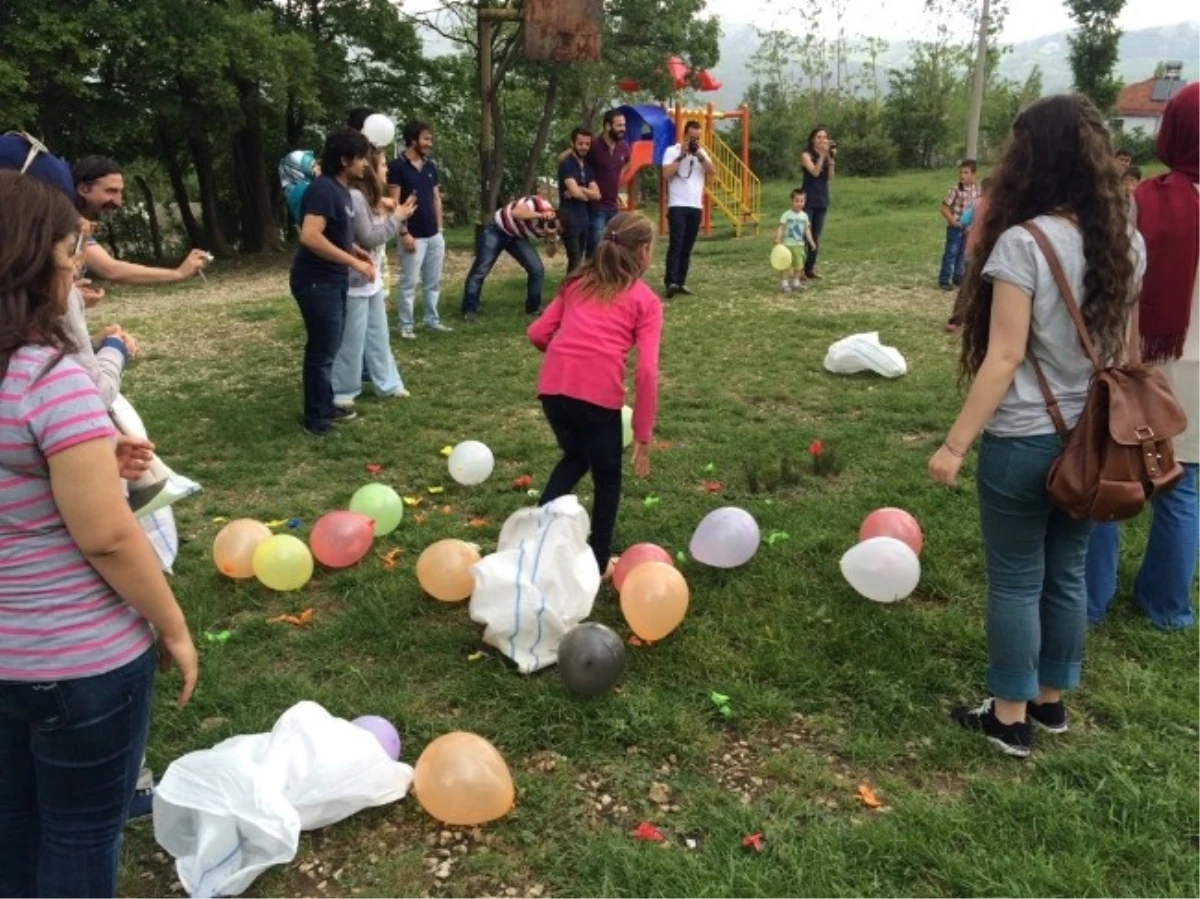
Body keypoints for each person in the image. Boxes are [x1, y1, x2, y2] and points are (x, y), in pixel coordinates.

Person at [0, 170, 197, 897]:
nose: (74, 270)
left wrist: (85, 457)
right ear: (37, 261)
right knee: (82, 829)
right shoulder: (47, 377)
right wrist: (170, 623)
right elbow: (108, 536)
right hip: (77, 661)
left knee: (13, 819)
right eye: (69, 256)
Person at [928, 94, 1144, 757]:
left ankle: (1009, 715)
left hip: (1023, 439)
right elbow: (1127, 352)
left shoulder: (1024, 242)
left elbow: (1005, 356)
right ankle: (1051, 701)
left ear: (1032, 159)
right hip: (1095, 440)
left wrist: (954, 443)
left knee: (1017, 577)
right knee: (1067, 571)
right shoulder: (1127, 242)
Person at [1086, 82, 1200, 631]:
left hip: (1145, 361)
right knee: (1184, 486)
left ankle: (1090, 599)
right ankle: (1168, 608)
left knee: (1114, 471)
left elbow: (1114, 281)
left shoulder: (1146, 203)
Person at [527, 212, 663, 576]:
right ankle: (598, 561)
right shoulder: (645, 300)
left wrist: (564, 357)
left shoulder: (576, 283)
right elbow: (647, 372)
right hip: (598, 397)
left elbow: (538, 332)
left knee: (575, 456)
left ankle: (536, 536)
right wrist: (643, 435)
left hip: (553, 389)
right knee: (607, 477)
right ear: (645, 251)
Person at [291, 127, 375, 437]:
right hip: (316, 282)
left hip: (332, 280)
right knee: (322, 351)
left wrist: (354, 249)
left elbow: (331, 233)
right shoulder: (323, 189)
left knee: (329, 346)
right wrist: (354, 262)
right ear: (344, 160)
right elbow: (310, 235)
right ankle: (316, 420)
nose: (365, 164)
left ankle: (324, 405)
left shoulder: (340, 191)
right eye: (361, 158)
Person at [332, 148, 415, 411]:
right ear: (370, 170)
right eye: (382, 166)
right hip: (354, 279)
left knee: (379, 335)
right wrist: (397, 218)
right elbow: (370, 237)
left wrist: (397, 215)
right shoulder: (355, 197)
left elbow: (386, 220)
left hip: (372, 278)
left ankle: (388, 384)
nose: (387, 170)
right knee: (352, 338)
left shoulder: (371, 198)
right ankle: (343, 390)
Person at [73, 156, 210, 286]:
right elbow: (111, 269)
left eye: (120, 192)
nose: (118, 202)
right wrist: (177, 273)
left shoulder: (77, 224)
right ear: (83, 189)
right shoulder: (65, 223)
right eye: (111, 191)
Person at [387, 121, 449, 338]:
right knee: (409, 283)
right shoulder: (396, 167)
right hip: (412, 234)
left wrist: (439, 229)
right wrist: (403, 233)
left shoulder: (431, 166)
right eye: (425, 139)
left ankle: (432, 321)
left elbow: (435, 198)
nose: (429, 143)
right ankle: (406, 326)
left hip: (433, 235)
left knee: (433, 282)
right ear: (413, 140)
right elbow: (394, 203)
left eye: (429, 139)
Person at [461, 194, 559, 322]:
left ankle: (533, 309)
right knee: (480, 270)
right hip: (496, 230)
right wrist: (540, 215)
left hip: (516, 237)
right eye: (554, 222)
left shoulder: (554, 229)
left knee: (537, 269)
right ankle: (469, 311)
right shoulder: (539, 203)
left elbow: (551, 254)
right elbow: (516, 213)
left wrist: (551, 236)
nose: (553, 225)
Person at [559, 110, 630, 253]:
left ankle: (606, 275)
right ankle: (590, 275)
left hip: (613, 207)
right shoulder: (594, 145)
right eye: (619, 125)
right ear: (607, 126)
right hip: (595, 207)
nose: (623, 128)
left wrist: (616, 183)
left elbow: (626, 163)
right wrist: (576, 187)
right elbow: (567, 157)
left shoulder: (624, 147)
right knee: (594, 250)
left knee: (612, 250)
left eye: (624, 125)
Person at [662, 120, 714, 298]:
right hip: (677, 205)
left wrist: (699, 155)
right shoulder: (672, 151)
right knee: (676, 244)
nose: (694, 141)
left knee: (687, 247)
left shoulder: (702, 153)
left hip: (695, 205)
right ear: (684, 135)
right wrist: (681, 156)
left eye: (697, 138)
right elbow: (666, 174)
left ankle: (681, 282)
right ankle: (671, 282)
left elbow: (712, 172)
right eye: (691, 137)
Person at [946, 176, 993, 332]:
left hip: (972, 250)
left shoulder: (976, 203)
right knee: (990, 288)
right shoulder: (1000, 206)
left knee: (967, 286)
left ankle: (956, 320)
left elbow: (964, 221)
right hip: (990, 252)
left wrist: (967, 228)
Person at [557, 128, 601, 272]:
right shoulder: (567, 164)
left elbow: (597, 195)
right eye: (580, 143)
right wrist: (584, 192)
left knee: (580, 258)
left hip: (584, 217)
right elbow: (576, 194)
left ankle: (573, 291)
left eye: (587, 144)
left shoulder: (588, 167)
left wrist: (581, 189)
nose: (584, 147)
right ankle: (567, 292)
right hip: (569, 216)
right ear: (573, 143)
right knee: (574, 260)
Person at [938, 159, 980, 291]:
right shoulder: (955, 190)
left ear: (973, 174)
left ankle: (958, 277)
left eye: (966, 172)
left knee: (962, 253)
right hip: (955, 227)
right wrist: (953, 222)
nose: (962, 175)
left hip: (968, 227)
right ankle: (944, 279)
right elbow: (944, 208)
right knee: (951, 252)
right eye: (961, 172)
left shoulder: (977, 190)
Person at [799, 127, 835, 280]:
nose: (822, 140)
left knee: (816, 236)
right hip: (808, 199)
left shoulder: (827, 156)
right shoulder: (806, 155)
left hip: (822, 199)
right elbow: (814, 172)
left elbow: (830, 177)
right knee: (803, 236)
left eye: (825, 137)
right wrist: (821, 156)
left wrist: (831, 159)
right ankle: (799, 269)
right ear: (813, 139)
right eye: (819, 137)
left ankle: (810, 268)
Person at [775, 188, 818, 292]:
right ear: (791, 201)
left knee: (799, 266)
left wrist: (811, 241)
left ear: (805, 201)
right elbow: (781, 227)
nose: (799, 203)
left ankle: (796, 283)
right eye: (797, 201)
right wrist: (778, 238)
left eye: (802, 201)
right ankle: (784, 284)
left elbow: (807, 230)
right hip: (787, 246)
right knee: (785, 265)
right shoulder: (786, 215)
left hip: (799, 246)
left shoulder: (804, 216)